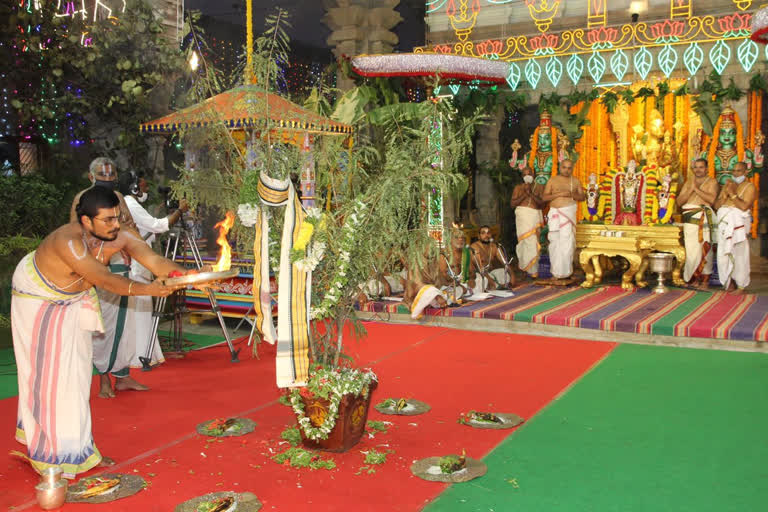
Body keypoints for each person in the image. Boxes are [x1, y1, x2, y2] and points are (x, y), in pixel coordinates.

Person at [12, 187, 193, 478]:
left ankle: (77, 450)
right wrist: (151, 289)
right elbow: (106, 280)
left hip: (73, 297)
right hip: (38, 299)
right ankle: (47, 452)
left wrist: (188, 277)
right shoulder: (68, 242)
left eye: (117, 217)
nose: (116, 224)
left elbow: (156, 262)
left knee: (77, 377)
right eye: (107, 219)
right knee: (48, 377)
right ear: (86, 221)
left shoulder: (119, 234)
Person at [69, 158, 143, 398]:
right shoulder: (82, 199)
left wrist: (133, 248)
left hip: (121, 267)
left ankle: (122, 377)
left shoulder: (119, 198)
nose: (107, 180)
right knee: (101, 326)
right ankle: (103, 380)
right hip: (96, 269)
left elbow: (130, 227)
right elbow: (74, 235)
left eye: (111, 176)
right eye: (102, 176)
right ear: (91, 177)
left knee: (123, 325)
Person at [120, 171, 189, 369]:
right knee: (141, 310)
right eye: (143, 186)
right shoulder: (130, 204)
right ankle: (142, 354)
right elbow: (158, 226)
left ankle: (145, 352)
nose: (146, 189)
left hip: (139, 261)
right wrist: (180, 211)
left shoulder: (130, 205)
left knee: (141, 310)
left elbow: (148, 227)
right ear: (133, 187)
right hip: (137, 263)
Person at [714, 162, 756, 292]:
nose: (735, 173)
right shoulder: (727, 186)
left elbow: (744, 207)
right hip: (725, 224)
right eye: (734, 171)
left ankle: (741, 285)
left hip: (738, 225)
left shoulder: (750, 187)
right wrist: (725, 195)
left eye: (739, 171)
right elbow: (716, 206)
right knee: (723, 253)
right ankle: (728, 282)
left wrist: (732, 194)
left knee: (740, 255)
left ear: (745, 172)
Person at [677, 158, 719, 289]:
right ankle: (694, 279)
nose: (698, 170)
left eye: (701, 167)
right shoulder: (689, 182)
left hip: (703, 217)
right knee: (691, 250)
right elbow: (679, 202)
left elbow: (711, 200)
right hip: (690, 220)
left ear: (706, 168)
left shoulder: (712, 182)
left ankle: (705, 281)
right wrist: (690, 190)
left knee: (705, 249)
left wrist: (696, 189)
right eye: (696, 167)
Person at [541, 159, 585, 282]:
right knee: (555, 242)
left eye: (569, 168)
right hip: (555, 214)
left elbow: (582, 197)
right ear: (560, 167)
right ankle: (556, 272)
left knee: (568, 243)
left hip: (568, 214)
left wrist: (570, 195)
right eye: (564, 167)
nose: (566, 170)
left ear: (572, 168)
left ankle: (566, 272)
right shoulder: (552, 180)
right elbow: (544, 197)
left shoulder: (575, 181)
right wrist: (558, 195)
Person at [510, 166, 544, 279]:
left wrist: (531, 193)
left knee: (533, 242)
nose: (527, 176)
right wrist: (525, 194)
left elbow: (541, 204)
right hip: (522, 217)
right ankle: (524, 269)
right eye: (524, 174)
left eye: (529, 173)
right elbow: (513, 204)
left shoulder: (539, 187)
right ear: (522, 177)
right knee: (523, 243)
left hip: (533, 218)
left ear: (533, 175)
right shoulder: (518, 188)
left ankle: (534, 271)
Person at [470, 225, 514, 291]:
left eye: (488, 233)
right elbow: (479, 268)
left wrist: (512, 276)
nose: (486, 235)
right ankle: (494, 286)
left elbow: (505, 263)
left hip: (490, 274)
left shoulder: (494, 246)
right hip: (479, 275)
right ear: (479, 236)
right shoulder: (474, 247)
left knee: (503, 272)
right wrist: (493, 283)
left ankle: (495, 286)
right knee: (482, 280)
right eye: (483, 233)